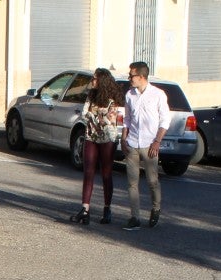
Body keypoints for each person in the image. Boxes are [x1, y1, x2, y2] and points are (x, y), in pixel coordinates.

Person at [71, 68, 124, 226]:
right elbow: (84, 113)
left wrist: (97, 117)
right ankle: (85, 209)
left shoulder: (112, 99)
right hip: (91, 136)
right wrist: (97, 116)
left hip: (107, 138)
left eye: (95, 79)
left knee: (106, 174)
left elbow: (109, 120)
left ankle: (107, 209)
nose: (92, 81)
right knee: (88, 172)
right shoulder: (91, 96)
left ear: (102, 81)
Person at [122, 61, 169, 231]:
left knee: (152, 181)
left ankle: (156, 208)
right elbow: (127, 119)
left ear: (141, 77)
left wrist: (157, 141)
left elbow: (165, 120)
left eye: (132, 75)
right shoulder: (130, 95)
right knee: (132, 183)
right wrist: (124, 138)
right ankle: (135, 217)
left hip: (149, 144)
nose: (130, 78)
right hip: (133, 143)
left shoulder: (158, 94)